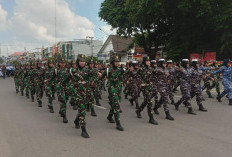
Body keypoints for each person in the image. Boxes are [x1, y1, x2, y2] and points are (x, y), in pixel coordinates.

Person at [102, 55, 125, 131]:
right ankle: (118, 123)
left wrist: (124, 73)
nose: (117, 63)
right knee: (117, 105)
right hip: (112, 89)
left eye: (118, 62)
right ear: (112, 62)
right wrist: (92, 82)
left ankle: (109, 116)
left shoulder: (120, 70)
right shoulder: (108, 70)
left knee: (114, 104)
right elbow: (101, 77)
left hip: (118, 89)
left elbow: (124, 77)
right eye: (116, 62)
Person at [135, 56, 158, 125]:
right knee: (149, 102)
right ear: (144, 62)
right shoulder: (141, 69)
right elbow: (136, 77)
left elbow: (155, 74)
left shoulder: (151, 69)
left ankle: (138, 111)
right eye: (147, 61)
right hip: (144, 87)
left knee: (146, 100)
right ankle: (151, 118)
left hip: (150, 87)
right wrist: (140, 84)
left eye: (149, 61)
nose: (149, 62)